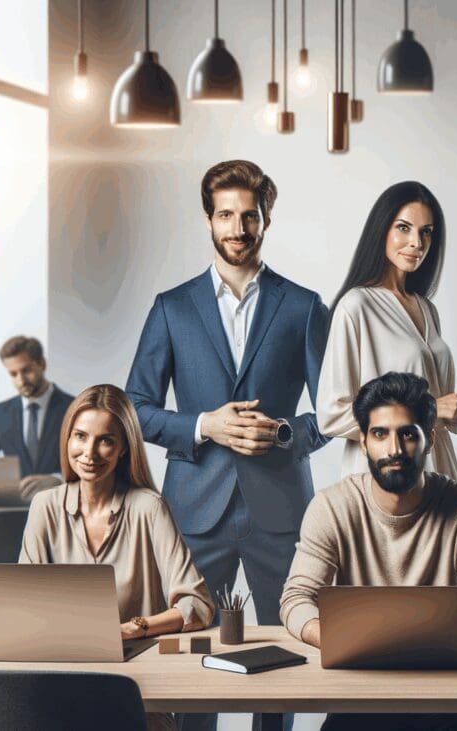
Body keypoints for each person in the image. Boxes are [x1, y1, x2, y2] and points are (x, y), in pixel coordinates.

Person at [126, 159, 329, 731]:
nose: (237, 228)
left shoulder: (304, 305)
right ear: (207, 220)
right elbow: (135, 407)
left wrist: (286, 433)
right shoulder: (172, 306)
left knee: (285, 656)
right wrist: (203, 426)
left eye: (249, 216)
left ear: (267, 219)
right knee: (194, 653)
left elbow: (337, 411)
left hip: (281, 509)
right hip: (195, 508)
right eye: (225, 216)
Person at [281, 372, 457, 731]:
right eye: (380, 434)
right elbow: (296, 599)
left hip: (453, 699)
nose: (393, 449)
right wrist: (334, 638)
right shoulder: (330, 507)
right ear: (363, 442)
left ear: (430, 439)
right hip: (362, 697)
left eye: (408, 434)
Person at [19, 384, 214, 731]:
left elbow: (196, 605)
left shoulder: (148, 508)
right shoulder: (44, 507)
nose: (89, 452)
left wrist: (133, 629)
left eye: (105, 440)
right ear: (67, 439)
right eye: (80, 436)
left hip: (138, 689)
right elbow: (24, 605)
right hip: (63, 682)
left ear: (124, 448)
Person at [318, 181, 457, 481]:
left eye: (426, 232)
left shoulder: (427, 309)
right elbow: (331, 414)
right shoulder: (356, 306)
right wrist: (429, 409)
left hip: (438, 467)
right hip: (385, 474)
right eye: (404, 228)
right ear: (381, 229)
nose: (416, 243)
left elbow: (444, 404)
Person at [0, 335, 74, 624]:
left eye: (27, 370)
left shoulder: (74, 407)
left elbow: (96, 466)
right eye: (13, 374)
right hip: (13, 512)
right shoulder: (1, 413)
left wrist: (57, 478)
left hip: (58, 513)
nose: (21, 379)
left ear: (42, 364)